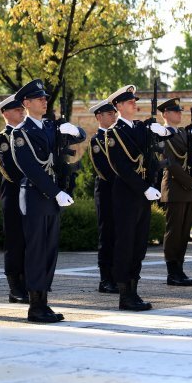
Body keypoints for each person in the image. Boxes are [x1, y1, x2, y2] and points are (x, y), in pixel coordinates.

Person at [10, 79, 85, 323]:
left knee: (49, 251)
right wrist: (55, 192)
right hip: (34, 195)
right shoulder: (20, 133)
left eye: (45, 98)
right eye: (39, 98)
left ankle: (44, 301)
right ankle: (34, 306)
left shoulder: (51, 127)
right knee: (36, 252)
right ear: (26, 103)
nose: (44, 101)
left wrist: (75, 130)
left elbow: (78, 136)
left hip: (52, 198)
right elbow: (31, 167)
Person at [104, 85, 168, 311]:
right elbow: (120, 167)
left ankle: (134, 291)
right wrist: (144, 187)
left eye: (134, 101)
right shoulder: (113, 133)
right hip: (126, 195)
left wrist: (160, 130)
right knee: (125, 244)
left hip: (143, 195)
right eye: (129, 101)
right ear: (118, 106)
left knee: (139, 245)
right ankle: (124, 295)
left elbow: (152, 155)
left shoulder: (142, 128)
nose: (134, 104)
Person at [157, 97, 192, 287]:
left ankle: (179, 268)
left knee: (184, 232)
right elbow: (171, 164)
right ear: (165, 114)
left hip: (187, 189)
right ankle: (172, 271)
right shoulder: (161, 134)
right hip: (174, 188)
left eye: (180, 111)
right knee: (174, 232)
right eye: (175, 111)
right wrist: (191, 183)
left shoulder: (183, 133)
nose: (179, 114)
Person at [0, 94, 29, 304]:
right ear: (6, 113)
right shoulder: (3, 139)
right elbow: (9, 169)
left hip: (30, 194)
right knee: (15, 241)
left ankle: (27, 282)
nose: (22, 112)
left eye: (22, 109)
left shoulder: (26, 135)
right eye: (17, 110)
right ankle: (15, 287)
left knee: (29, 241)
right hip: (14, 194)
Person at [87, 99, 119, 294]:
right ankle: (105, 278)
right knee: (107, 235)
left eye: (114, 113)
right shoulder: (96, 141)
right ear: (99, 117)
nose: (114, 116)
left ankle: (117, 275)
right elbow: (105, 169)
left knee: (119, 235)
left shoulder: (118, 138)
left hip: (120, 192)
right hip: (107, 191)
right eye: (109, 114)